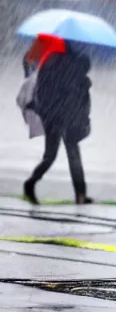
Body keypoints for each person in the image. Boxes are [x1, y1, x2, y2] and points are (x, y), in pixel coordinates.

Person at [23, 41, 93, 205]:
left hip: (56, 117)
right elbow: (77, 99)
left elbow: (45, 91)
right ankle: (80, 195)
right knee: (68, 155)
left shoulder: (52, 63)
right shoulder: (70, 70)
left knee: (56, 156)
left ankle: (79, 194)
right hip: (63, 118)